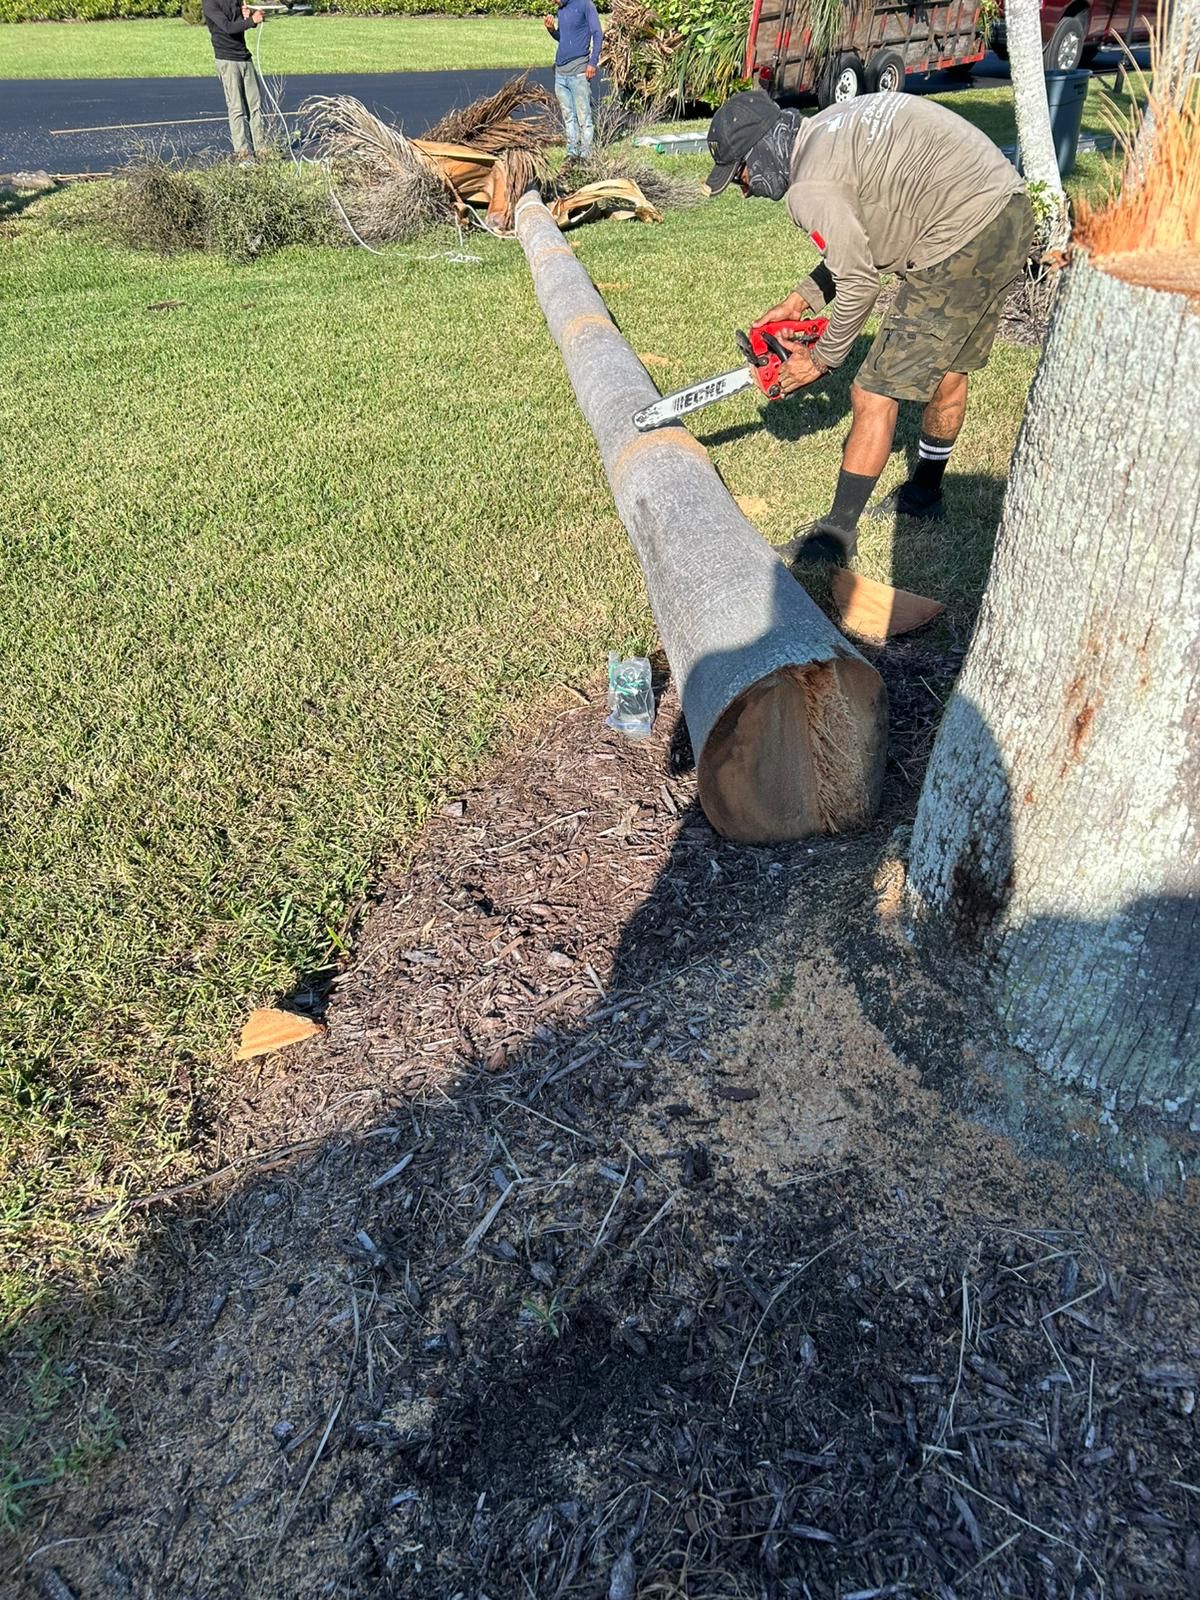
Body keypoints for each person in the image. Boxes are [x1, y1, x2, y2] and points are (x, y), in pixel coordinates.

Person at [704, 90, 1034, 564]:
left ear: (763, 150)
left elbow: (859, 284)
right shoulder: (827, 128)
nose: (743, 187)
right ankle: (923, 495)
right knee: (948, 368)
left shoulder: (807, 190)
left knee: (872, 392)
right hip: (1006, 208)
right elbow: (856, 245)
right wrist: (801, 299)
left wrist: (818, 362)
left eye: (740, 173)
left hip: (957, 234)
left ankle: (834, 537)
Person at [202, 0, 267, 161]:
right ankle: (243, 153)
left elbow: (238, 25)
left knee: (255, 106)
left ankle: (261, 148)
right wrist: (251, 21)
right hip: (227, 59)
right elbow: (227, 27)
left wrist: (248, 19)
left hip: (244, 56)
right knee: (236, 108)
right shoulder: (209, 3)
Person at [543, 0, 603, 173]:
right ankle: (571, 153)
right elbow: (565, 38)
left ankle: (585, 156)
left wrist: (592, 63)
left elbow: (597, 34)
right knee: (569, 116)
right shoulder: (561, 10)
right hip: (561, 72)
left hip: (579, 71)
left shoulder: (585, 5)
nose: (553, 2)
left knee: (584, 117)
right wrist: (552, 30)